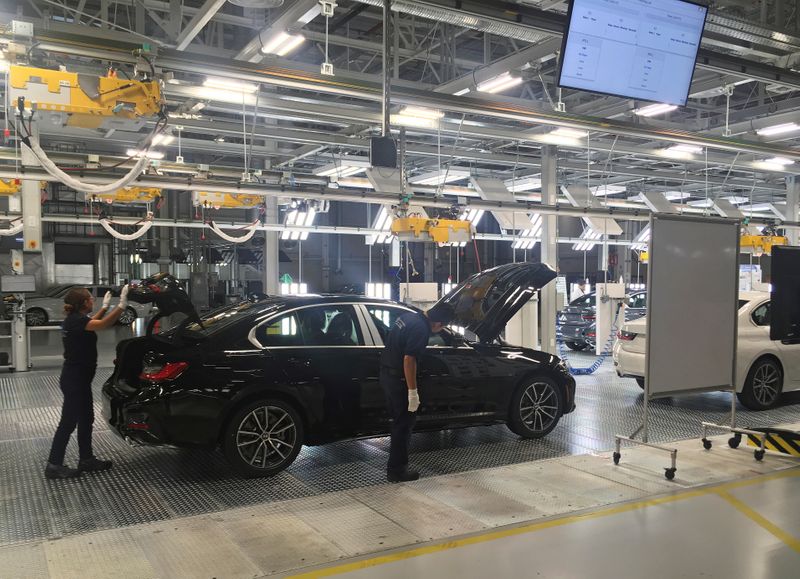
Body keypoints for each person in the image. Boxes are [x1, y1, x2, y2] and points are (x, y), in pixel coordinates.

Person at [45, 285, 130, 479]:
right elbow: (102, 325)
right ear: (84, 303)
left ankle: (86, 459)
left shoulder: (76, 320)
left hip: (80, 379)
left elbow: (93, 321)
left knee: (86, 419)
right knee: (68, 423)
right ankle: (53, 464)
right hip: (75, 380)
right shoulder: (76, 322)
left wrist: (106, 307)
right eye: (91, 299)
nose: (93, 300)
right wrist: (121, 306)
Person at [379, 303, 455, 483]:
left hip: (386, 374)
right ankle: (397, 471)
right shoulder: (421, 329)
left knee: (398, 422)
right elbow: (409, 359)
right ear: (438, 323)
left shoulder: (408, 317)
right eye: (442, 327)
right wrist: (412, 392)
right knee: (403, 425)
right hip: (399, 381)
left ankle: (396, 468)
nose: (439, 330)